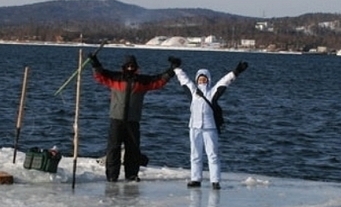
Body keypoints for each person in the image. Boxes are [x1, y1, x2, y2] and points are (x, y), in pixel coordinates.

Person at [89, 53, 176, 182]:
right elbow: (100, 75)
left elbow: (159, 81)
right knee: (113, 149)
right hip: (116, 119)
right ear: (124, 67)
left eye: (132, 66)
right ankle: (112, 175)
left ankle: (131, 175)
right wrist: (94, 62)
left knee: (133, 149)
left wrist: (172, 69)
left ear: (136, 68)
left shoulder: (142, 81)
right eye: (128, 66)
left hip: (133, 121)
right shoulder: (115, 78)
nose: (130, 68)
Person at [170, 58, 248, 189]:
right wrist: (176, 68)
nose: (202, 81)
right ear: (196, 80)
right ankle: (195, 179)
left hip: (210, 128)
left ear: (208, 80)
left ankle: (215, 180)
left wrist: (236, 72)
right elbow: (184, 80)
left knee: (213, 154)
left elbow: (224, 82)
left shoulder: (212, 93)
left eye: (204, 79)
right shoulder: (193, 92)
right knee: (195, 154)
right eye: (200, 79)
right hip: (194, 127)